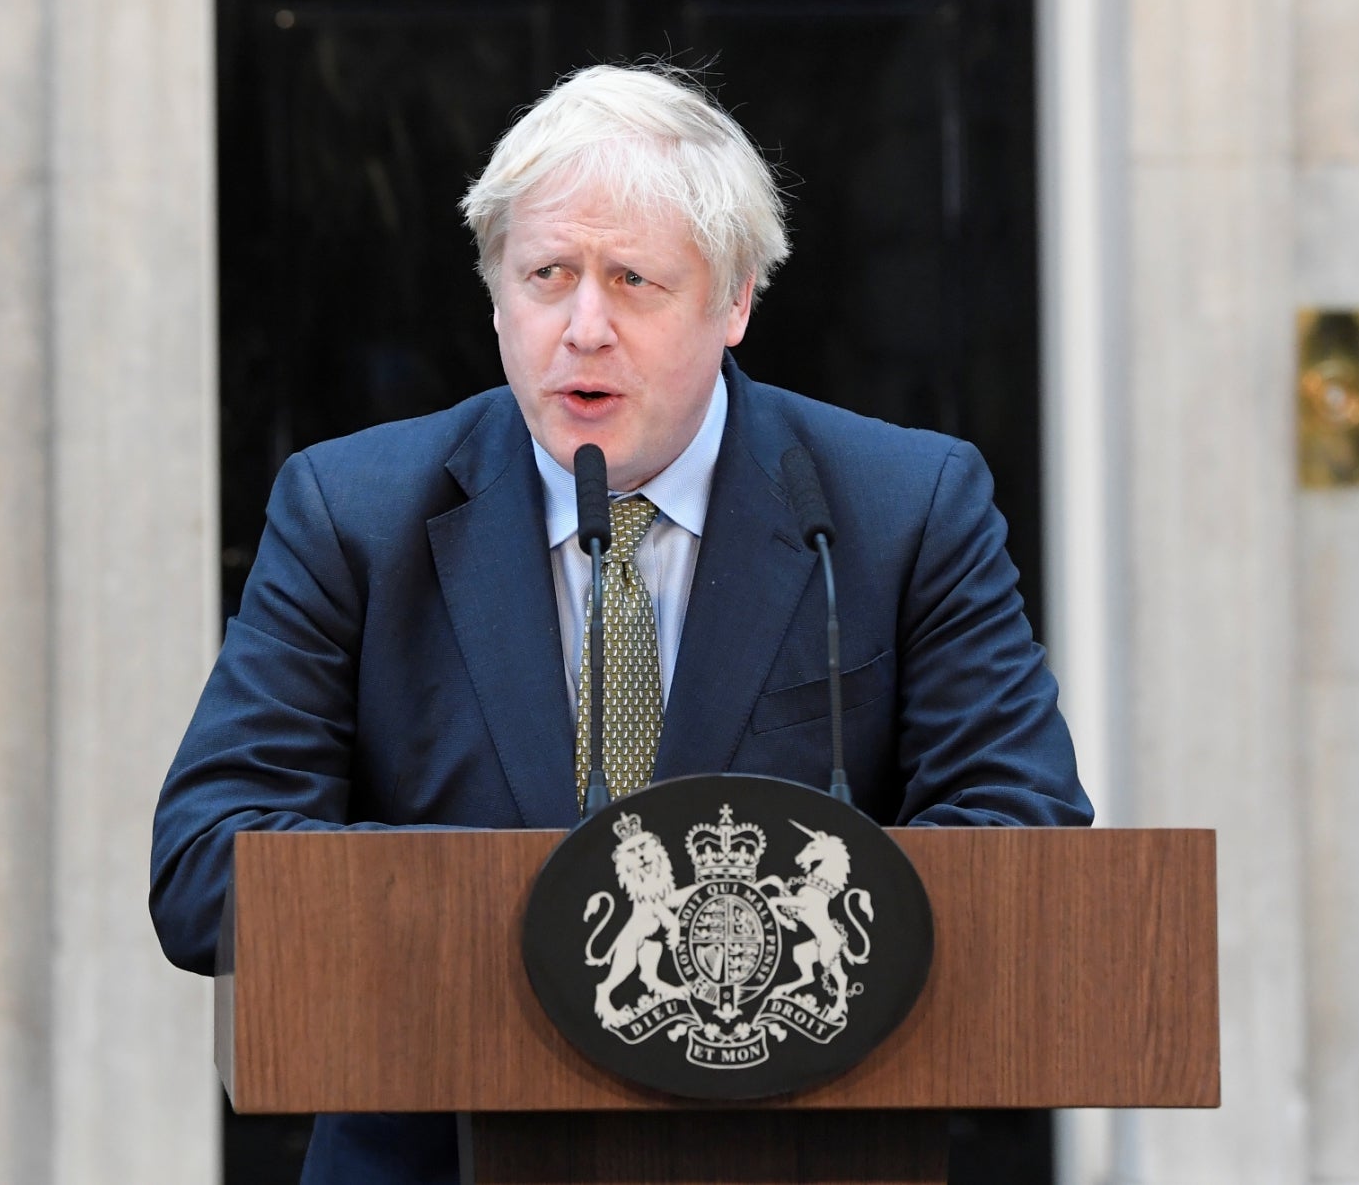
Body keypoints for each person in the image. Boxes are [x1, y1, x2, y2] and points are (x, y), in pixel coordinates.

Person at [151, 64, 1091, 1185]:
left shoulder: (901, 508)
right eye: (546, 274)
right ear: (496, 293)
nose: (581, 327)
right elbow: (208, 864)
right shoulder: (350, 512)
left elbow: (1026, 842)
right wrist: (548, 909)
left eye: (634, 279)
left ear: (734, 300)